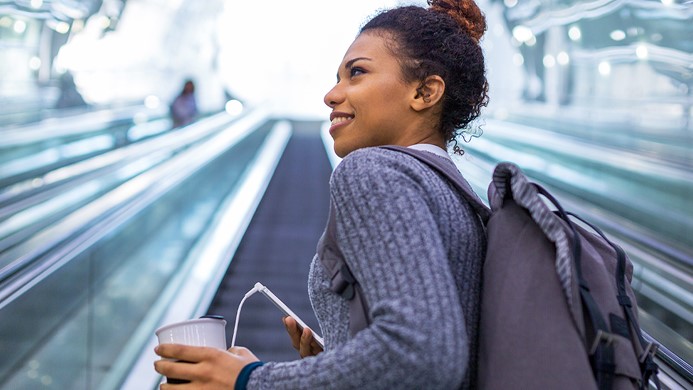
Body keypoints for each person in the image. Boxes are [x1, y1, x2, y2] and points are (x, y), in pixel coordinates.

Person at [154, 0, 489, 388]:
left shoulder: (373, 171)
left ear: (425, 92)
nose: (331, 95)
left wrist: (250, 379)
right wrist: (331, 365)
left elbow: (422, 355)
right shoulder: (458, 195)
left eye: (356, 73)